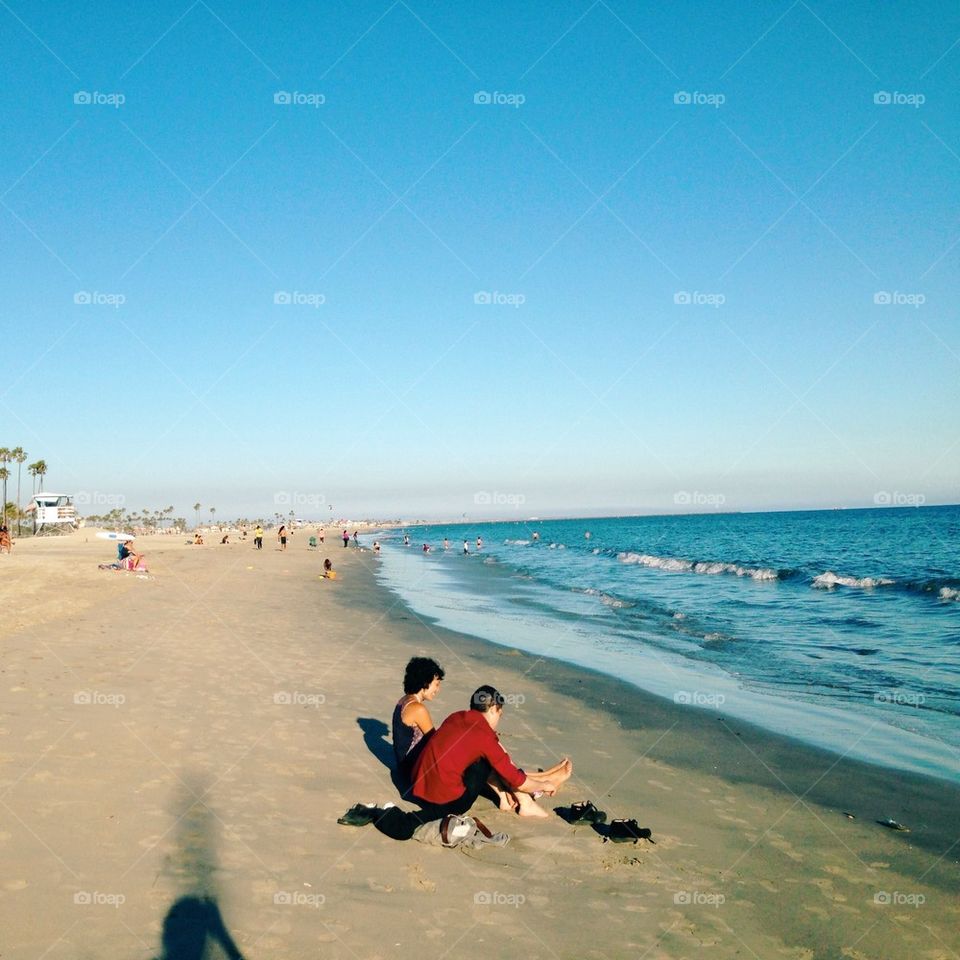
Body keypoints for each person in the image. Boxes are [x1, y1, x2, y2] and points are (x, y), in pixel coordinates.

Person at [368, 686, 573, 840]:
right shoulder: (484, 736)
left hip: (418, 787)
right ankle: (529, 798)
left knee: (486, 754)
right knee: (490, 759)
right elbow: (516, 779)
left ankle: (515, 794)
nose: (499, 719)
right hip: (447, 802)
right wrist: (546, 787)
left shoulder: (456, 716)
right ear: (493, 708)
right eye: (499, 714)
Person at [392, 657, 444, 796]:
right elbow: (435, 740)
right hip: (412, 771)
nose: (438, 689)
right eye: (436, 684)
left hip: (403, 766)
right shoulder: (417, 708)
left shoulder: (403, 701)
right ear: (425, 682)